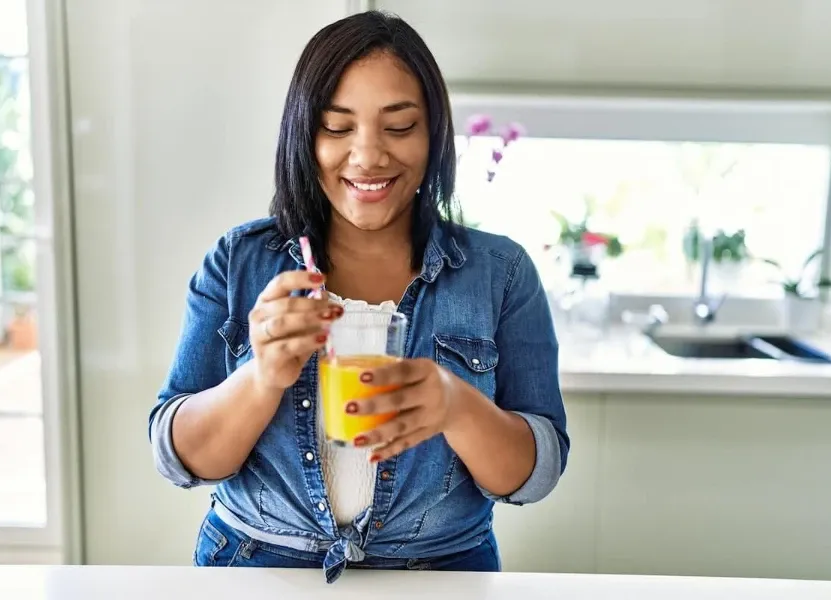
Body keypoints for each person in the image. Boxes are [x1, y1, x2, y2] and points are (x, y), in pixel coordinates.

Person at [148, 10, 569, 583]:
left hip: (441, 575)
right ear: (304, 134)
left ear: (434, 135)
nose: (368, 156)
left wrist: (456, 405)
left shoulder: (501, 273)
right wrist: (262, 377)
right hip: (255, 568)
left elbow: (535, 475)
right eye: (337, 127)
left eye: (400, 126)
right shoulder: (237, 262)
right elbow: (177, 459)